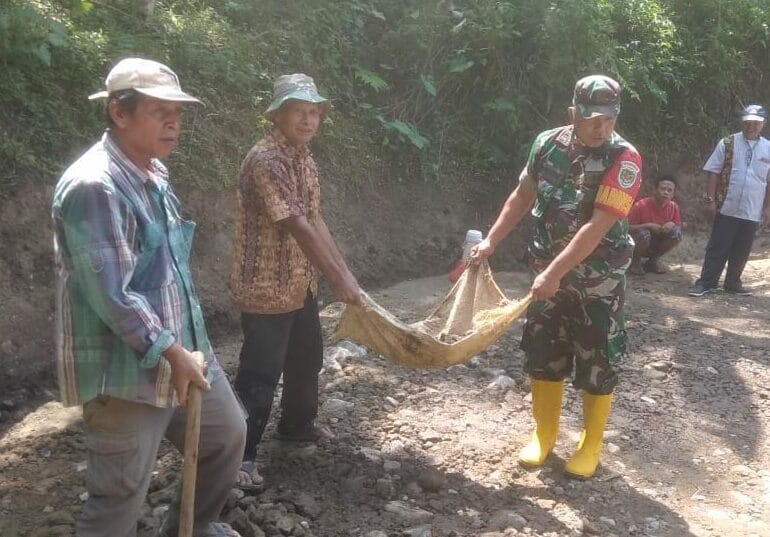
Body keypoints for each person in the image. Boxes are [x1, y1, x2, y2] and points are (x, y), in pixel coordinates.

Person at [52, 58, 246, 537]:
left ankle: (190, 529)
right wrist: (172, 351)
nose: (174, 122)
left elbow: (168, 271)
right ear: (120, 112)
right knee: (118, 498)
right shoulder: (95, 187)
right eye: (160, 111)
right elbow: (113, 295)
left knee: (225, 436)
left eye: (177, 112)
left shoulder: (152, 172)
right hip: (127, 372)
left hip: (181, 351)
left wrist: (189, 348)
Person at [471, 75, 642, 479]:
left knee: (597, 358)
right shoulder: (547, 144)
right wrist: (491, 241)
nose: (600, 127)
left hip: (598, 281)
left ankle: (590, 444)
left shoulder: (626, 158)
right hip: (545, 276)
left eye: (608, 118)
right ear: (572, 114)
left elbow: (598, 226)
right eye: (591, 119)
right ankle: (544, 435)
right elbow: (522, 195)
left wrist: (553, 273)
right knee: (543, 352)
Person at [229, 73, 362, 489]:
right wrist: (340, 280)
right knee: (259, 373)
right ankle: (238, 458)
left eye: (313, 112)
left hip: (298, 283)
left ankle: (296, 426)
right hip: (265, 286)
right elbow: (296, 224)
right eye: (298, 112)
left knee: (307, 359)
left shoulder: (303, 158)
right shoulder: (266, 160)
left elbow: (316, 218)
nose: (308, 120)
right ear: (277, 115)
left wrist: (345, 274)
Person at [689, 104, 770, 297]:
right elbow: (714, 172)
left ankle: (733, 283)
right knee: (718, 245)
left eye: (756, 122)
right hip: (727, 204)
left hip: (753, 208)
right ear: (742, 122)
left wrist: (767, 208)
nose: (751, 125)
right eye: (747, 121)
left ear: (763, 124)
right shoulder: (728, 143)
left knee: (742, 248)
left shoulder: (768, 148)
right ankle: (706, 282)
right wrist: (710, 199)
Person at [627, 175, 682, 275]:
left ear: (673, 194)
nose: (666, 192)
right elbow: (627, 228)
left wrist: (672, 224)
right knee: (644, 234)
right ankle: (635, 262)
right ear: (655, 190)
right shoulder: (641, 205)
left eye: (670, 190)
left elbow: (678, 226)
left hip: (658, 242)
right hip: (639, 241)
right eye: (663, 189)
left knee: (676, 234)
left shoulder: (674, 207)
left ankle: (653, 261)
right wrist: (648, 225)